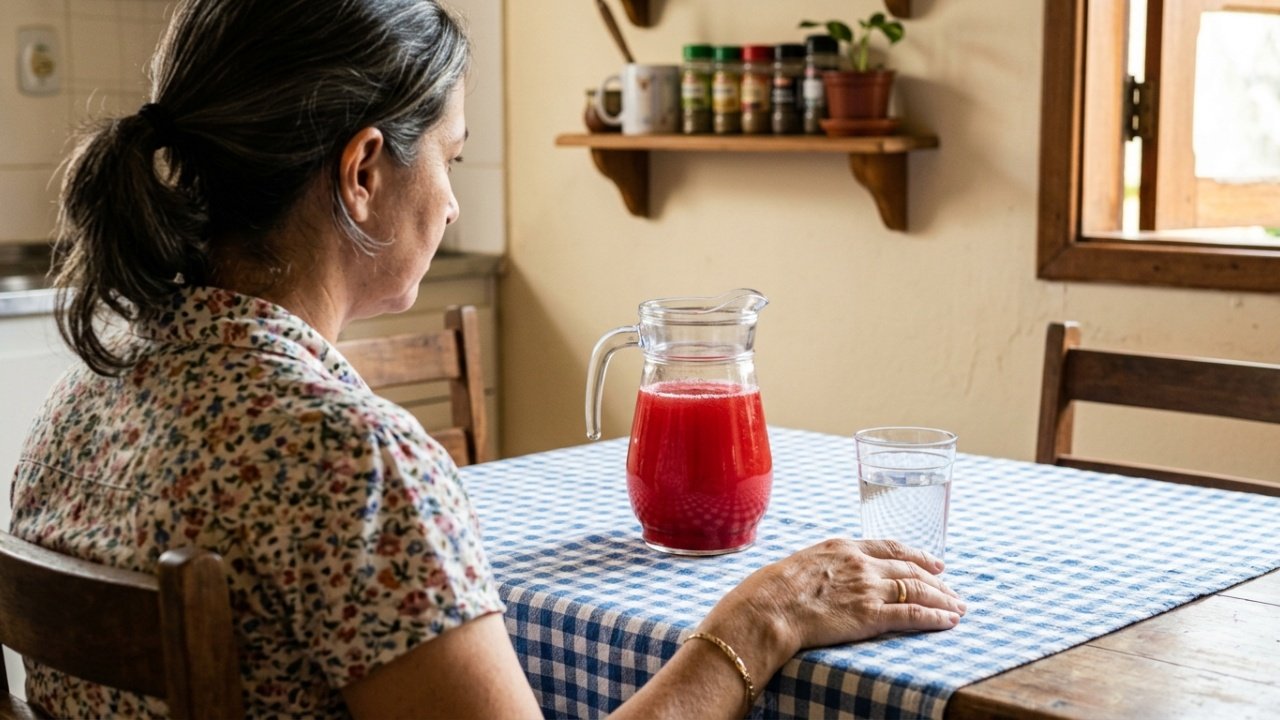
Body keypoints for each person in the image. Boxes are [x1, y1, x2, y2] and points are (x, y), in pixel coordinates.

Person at [9, 1, 966, 717]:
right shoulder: (352, 461)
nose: (455, 202)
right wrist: (760, 619)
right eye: (452, 161)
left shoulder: (82, 398)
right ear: (364, 172)